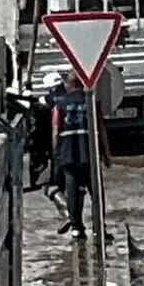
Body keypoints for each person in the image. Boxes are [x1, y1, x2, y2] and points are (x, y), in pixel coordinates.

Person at [49, 71, 108, 239]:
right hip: (90, 152)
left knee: (72, 190)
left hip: (68, 152)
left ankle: (77, 227)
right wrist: (107, 154)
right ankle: (99, 226)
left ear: (68, 85)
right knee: (95, 190)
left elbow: (55, 130)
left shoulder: (59, 105)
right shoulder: (92, 103)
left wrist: (56, 156)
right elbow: (101, 128)